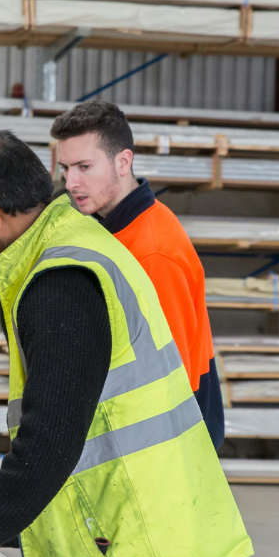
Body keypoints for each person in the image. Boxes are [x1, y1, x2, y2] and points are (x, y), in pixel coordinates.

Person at [0, 129, 251, 557]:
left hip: (128, 543)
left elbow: (50, 445)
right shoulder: (79, 238)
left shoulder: (59, 281)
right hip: (134, 520)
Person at [52, 100, 226, 449]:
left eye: (84, 166)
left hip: (169, 442)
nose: (71, 182)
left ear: (123, 161)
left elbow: (170, 379)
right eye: (65, 168)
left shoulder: (153, 252)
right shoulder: (112, 227)